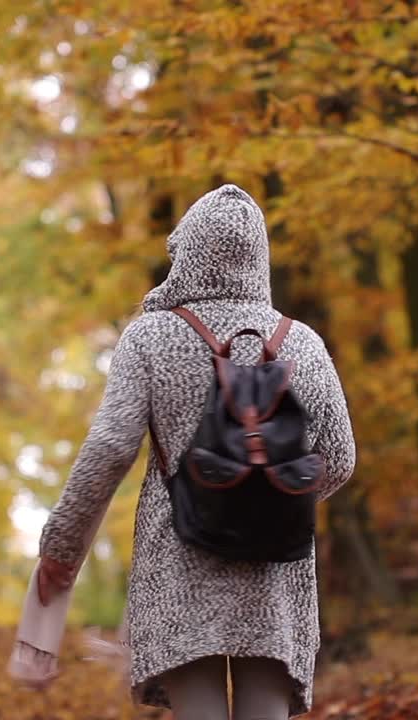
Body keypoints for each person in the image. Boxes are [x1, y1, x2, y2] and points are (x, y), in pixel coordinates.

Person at [24, 183, 356, 720]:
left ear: (189, 252)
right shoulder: (303, 343)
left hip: (179, 562)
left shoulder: (151, 336)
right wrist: (267, 499)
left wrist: (61, 548)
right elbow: (340, 459)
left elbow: (110, 450)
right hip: (275, 567)